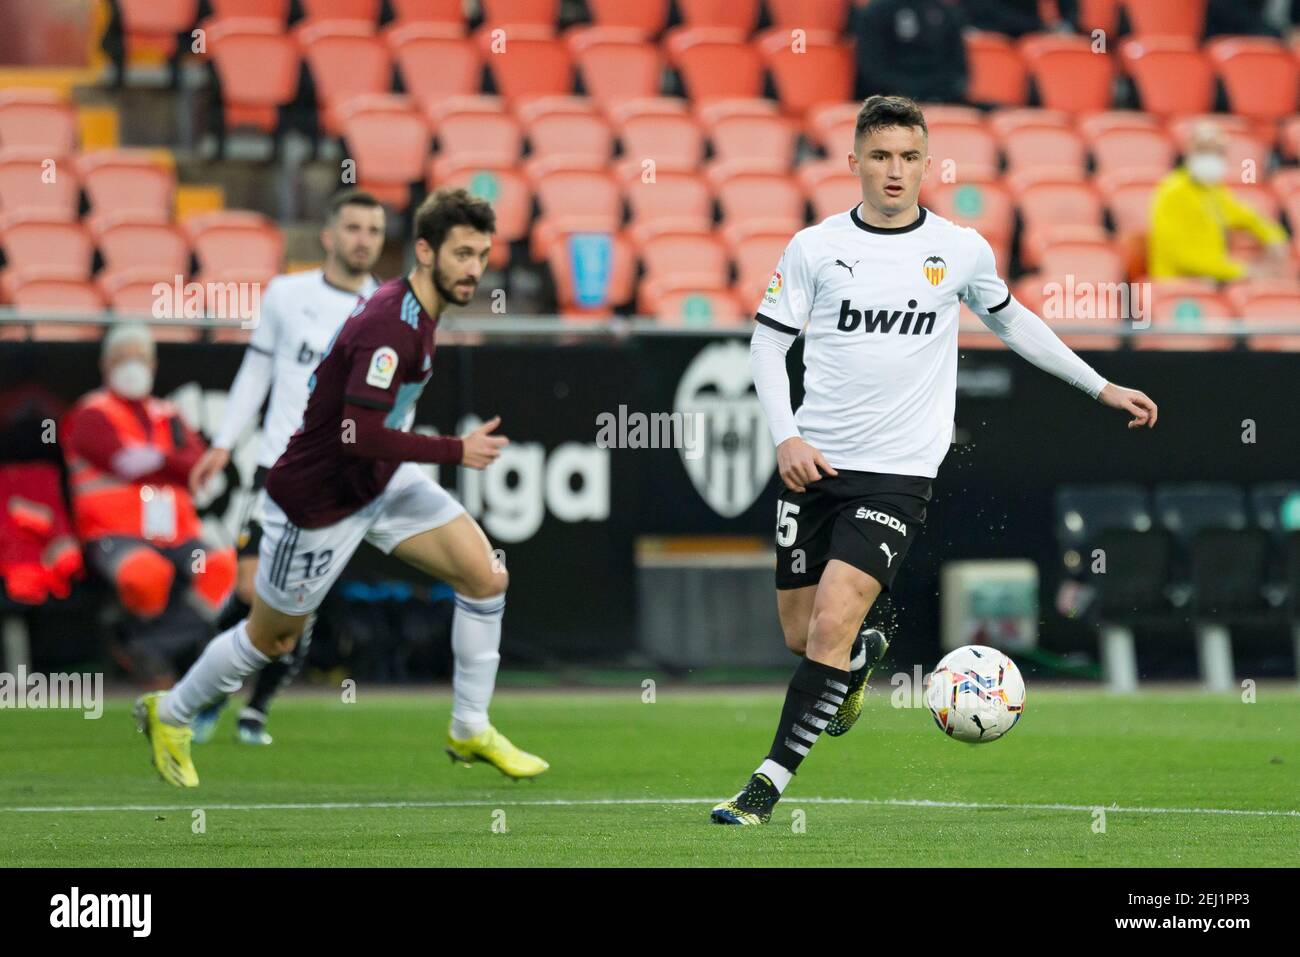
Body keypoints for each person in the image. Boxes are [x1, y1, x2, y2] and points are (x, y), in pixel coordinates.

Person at [713, 95, 1158, 825]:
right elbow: (767, 343)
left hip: (898, 474)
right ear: (854, 160)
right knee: (803, 635)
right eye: (881, 156)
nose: (896, 171)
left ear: (927, 162)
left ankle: (765, 787)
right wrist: (785, 435)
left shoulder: (959, 249)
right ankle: (856, 665)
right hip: (815, 464)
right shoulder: (815, 248)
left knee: (827, 624)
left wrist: (1101, 385)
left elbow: (1017, 323)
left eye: (910, 157)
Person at [134, 187, 548, 786]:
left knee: (486, 577)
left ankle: (469, 726)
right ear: (426, 252)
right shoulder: (391, 326)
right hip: (319, 502)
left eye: (482, 255)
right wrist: (455, 450)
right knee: (269, 640)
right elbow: (358, 433)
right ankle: (168, 712)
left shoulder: (414, 310)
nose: (475, 269)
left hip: (378, 484)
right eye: (462, 254)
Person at [186, 189, 384, 745]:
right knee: (252, 588)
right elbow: (257, 373)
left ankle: (258, 708)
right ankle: (214, 690)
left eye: (373, 230)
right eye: (353, 227)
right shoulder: (286, 295)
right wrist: (224, 443)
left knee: (297, 603)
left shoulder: (386, 312)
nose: (363, 239)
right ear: (328, 235)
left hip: (338, 482)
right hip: (276, 468)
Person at [62, 323, 236, 684]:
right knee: (145, 574)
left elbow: (197, 467)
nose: (132, 365)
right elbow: (124, 461)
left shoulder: (167, 413)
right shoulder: (90, 413)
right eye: (123, 358)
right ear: (105, 364)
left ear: (153, 366)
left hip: (177, 535)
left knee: (221, 567)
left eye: (140, 358)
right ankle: (151, 651)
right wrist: (169, 461)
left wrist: (159, 460)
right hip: (114, 535)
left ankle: (150, 649)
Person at [1148, 120, 1289, 283]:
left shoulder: (1214, 191)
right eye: (1205, 149)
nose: (1211, 157)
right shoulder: (1172, 192)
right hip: (1177, 285)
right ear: (1188, 151)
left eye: (1218, 152)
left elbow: (1248, 216)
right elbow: (1180, 255)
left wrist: (1274, 237)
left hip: (1212, 280)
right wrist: (1240, 271)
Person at [850, 0, 968, 104]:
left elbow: (957, 70)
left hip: (940, 100)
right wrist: (910, 94)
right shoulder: (875, 12)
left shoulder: (945, 13)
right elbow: (871, 71)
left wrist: (935, 95)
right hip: (885, 103)